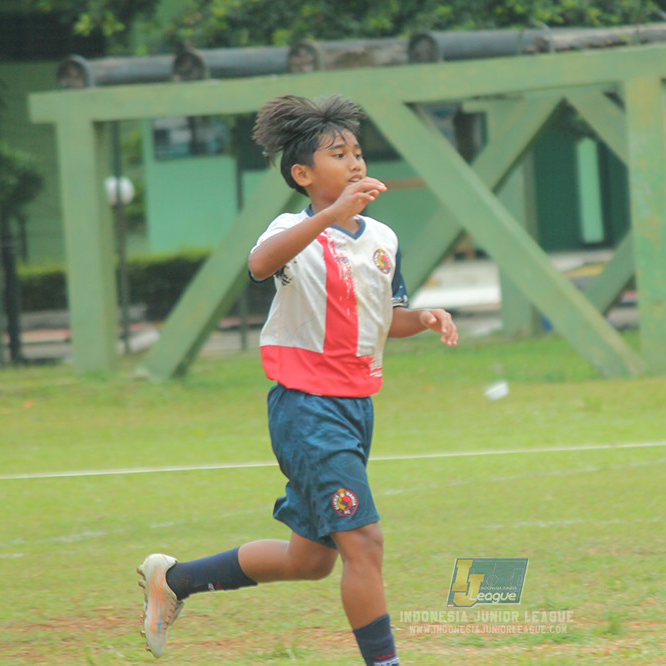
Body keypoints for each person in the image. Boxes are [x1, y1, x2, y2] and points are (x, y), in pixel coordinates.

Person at [136, 94, 458, 664]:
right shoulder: (293, 227)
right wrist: (331, 216)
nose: (356, 162)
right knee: (365, 543)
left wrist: (425, 319)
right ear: (303, 174)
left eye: (358, 151)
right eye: (339, 154)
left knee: (310, 560)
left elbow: (386, 318)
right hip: (307, 408)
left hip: (356, 406)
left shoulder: (383, 240)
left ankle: (176, 580)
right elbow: (260, 265)